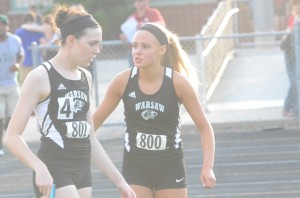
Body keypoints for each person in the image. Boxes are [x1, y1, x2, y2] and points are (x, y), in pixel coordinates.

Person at [3, 5, 136, 198]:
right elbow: (11, 136)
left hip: (82, 172)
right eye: (92, 43)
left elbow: (90, 138)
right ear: (72, 41)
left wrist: (120, 181)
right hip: (53, 170)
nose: (98, 50)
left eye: (99, 44)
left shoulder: (85, 77)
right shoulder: (40, 77)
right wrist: (38, 166)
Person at [93, 23, 216, 198]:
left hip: (170, 168)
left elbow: (204, 127)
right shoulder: (122, 81)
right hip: (135, 167)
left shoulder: (178, 83)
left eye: (145, 47)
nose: (137, 51)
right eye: (135, 46)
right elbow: (94, 123)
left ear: (162, 50)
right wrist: (70, 149)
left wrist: (207, 167)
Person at [0, 14, 24, 156]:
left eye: (2, 25)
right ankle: (1, 147)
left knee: (13, 116)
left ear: (7, 26)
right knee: (0, 117)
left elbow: (21, 54)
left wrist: (17, 64)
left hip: (11, 83)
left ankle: (12, 143)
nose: (0, 28)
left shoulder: (15, 40)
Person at [119, 0, 166, 67]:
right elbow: (126, 35)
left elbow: (162, 24)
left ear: (147, 2)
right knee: (135, 73)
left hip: (152, 49)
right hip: (136, 51)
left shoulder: (153, 13)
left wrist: (145, 25)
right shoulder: (131, 18)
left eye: (141, 0)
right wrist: (123, 37)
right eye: (136, 1)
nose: (138, 2)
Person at [15, 12, 45, 86]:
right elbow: (43, 44)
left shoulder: (19, 32)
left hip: (23, 62)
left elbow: (17, 47)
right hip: (37, 61)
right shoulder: (38, 31)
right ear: (34, 20)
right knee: (38, 84)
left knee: (24, 84)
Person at [281, 0, 300, 117]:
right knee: (295, 81)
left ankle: (294, 107)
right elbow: (285, 38)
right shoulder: (294, 20)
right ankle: (287, 107)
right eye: (296, 6)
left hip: (296, 54)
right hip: (291, 55)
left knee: (296, 81)